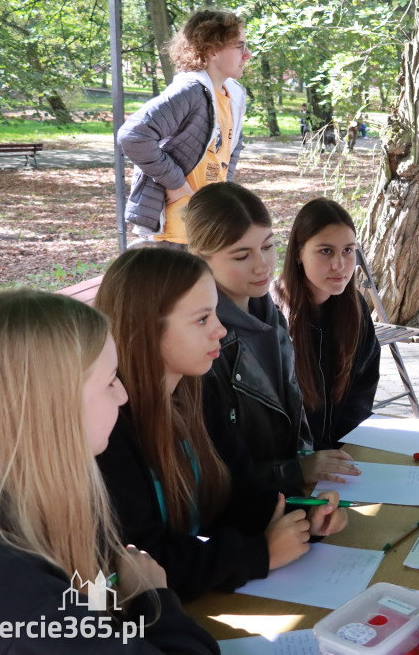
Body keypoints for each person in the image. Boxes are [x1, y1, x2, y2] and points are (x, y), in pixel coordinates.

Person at [0, 290, 217, 654]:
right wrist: (152, 599)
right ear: (57, 405)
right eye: (111, 379)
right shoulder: (4, 588)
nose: (124, 395)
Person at [94, 249, 346, 601]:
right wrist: (259, 555)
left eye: (215, 313)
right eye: (201, 319)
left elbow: (240, 492)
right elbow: (142, 562)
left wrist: (303, 517)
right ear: (148, 330)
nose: (220, 329)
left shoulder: (197, 392)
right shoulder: (107, 429)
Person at [186, 182, 361, 486]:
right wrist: (295, 473)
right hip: (251, 516)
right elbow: (211, 473)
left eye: (267, 246)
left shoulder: (271, 316)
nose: (263, 265)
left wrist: (308, 487)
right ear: (202, 259)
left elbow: (296, 427)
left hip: (290, 501)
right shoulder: (205, 344)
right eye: (242, 256)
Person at [119, 9, 250, 248]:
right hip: (175, 235)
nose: (248, 55)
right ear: (213, 49)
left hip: (208, 232)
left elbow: (229, 156)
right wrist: (177, 184)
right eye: (239, 46)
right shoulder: (190, 92)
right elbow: (133, 135)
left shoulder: (235, 97)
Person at [272, 198, 381, 449]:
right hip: (296, 464)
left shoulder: (354, 308)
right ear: (299, 254)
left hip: (343, 457)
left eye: (348, 250)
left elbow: (362, 389)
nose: (340, 265)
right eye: (325, 251)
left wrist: (345, 447)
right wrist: (312, 457)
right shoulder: (273, 315)